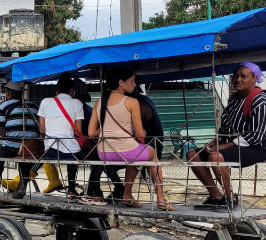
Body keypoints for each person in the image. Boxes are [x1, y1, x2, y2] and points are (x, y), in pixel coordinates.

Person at [88, 67, 173, 210]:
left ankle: (127, 194)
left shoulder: (99, 102)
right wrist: (144, 132)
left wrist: (106, 130)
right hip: (127, 152)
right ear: (121, 82)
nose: (135, 85)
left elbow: (91, 133)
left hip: (104, 153)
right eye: (132, 81)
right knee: (151, 156)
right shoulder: (132, 102)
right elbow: (140, 135)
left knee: (136, 156)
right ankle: (161, 199)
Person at [188, 62, 266, 209]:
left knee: (215, 156)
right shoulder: (234, 100)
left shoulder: (260, 100)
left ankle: (230, 198)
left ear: (254, 79)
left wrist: (224, 146)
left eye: (243, 76)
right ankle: (216, 196)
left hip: (257, 147)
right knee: (193, 155)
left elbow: (257, 134)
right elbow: (225, 127)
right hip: (233, 144)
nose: (238, 79)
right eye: (236, 76)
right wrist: (215, 141)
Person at [0, 81, 63, 198]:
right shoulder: (34, 106)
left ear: (10, 92)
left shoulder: (4, 106)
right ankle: (22, 185)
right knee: (25, 153)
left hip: (13, 147)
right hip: (31, 147)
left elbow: (2, 131)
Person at [38, 74, 97, 201]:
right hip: (71, 153)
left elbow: (42, 130)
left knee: (72, 148)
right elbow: (78, 131)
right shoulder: (77, 103)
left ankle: (71, 189)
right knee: (95, 157)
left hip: (50, 152)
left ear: (57, 90)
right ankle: (83, 190)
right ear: (72, 91)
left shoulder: (45, 102)